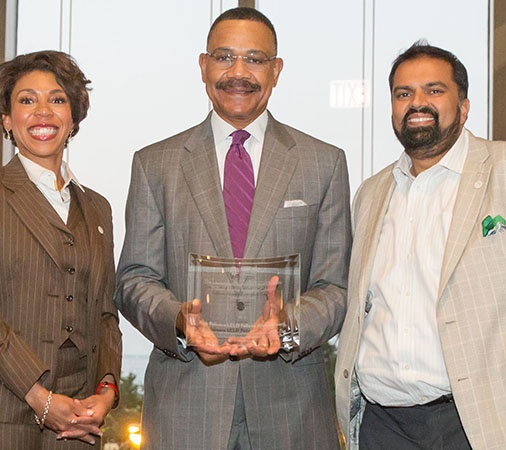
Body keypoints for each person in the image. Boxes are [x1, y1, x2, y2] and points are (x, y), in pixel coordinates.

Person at [333, 41, 506, 450]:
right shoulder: (371, 194)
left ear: (464, 107)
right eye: (403, 93)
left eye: (434, 90)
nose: (417, 102)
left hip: (491, 424)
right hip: (384, 426)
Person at [115, 7, 351, 450]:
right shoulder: (155, 164)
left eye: (255, 59)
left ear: (276, 70)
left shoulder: (324, 162)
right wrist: (180, 322)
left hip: (293, 408)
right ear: (203, 66)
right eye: (224, 57)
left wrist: (288, 326)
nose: (238, 72)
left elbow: (336, 286)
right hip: (186, 407)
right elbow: (134, 280)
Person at [0, 50, 122, 449]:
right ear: (6, 118)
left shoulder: (98, 208)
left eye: (57, 99)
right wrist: (39, 397)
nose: (43, 112)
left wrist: (106, 391)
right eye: (26, 100)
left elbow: (106, 314)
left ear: (73, 117)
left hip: (78, 416)